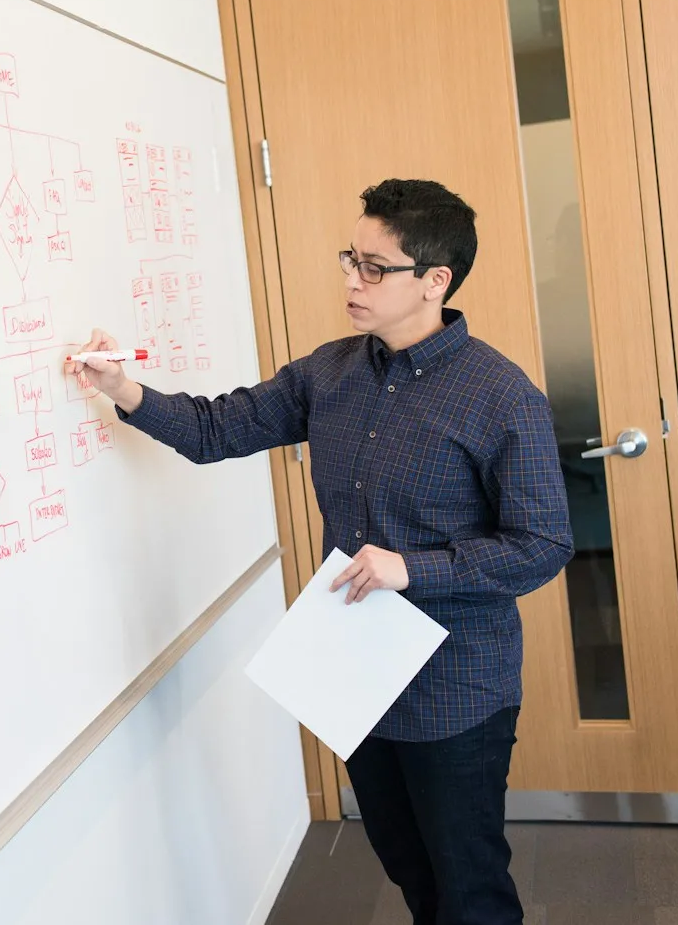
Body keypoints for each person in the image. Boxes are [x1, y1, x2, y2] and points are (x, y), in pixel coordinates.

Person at [67, 178, 572, 925]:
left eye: (375, 267)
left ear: (436, 280)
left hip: (456, 687)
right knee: (409, 872)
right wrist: (123, 388)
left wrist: (415, 568)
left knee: (469, 887)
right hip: (358, 675)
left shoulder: (501, 397)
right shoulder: (330, 372)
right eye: (350, 259)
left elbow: (543, 545)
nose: (351, 281)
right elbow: (218, 431)